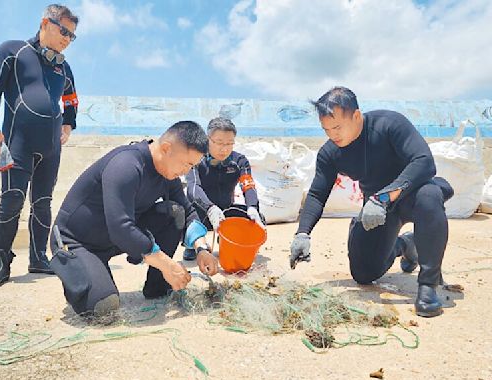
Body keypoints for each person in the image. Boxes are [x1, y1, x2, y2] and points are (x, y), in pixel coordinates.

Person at [289, 87, 454, 317]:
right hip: (376, 212)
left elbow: (424, 161)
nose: (332, 135)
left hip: (411, 197)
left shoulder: (388, 124)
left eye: (337, 127)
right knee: (364, 274)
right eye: (326, 129)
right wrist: (302, 233)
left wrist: (383, 197)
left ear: (356, 116)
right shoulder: (330, 153)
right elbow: (317, 194)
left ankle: (428, 283)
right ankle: (406, 245)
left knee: (430, 195)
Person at [50, 121, 219, 315]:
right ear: (166, 148)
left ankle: (158, 286)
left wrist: (202, 250)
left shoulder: (167, 172)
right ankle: (82, 271)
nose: (186, 172)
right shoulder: (126, 165)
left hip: (114, 239)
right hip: (78, 241)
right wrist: (167, 264)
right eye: (186, 164)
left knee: (174, 212)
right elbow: (121, 227)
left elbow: (188, 211)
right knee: (103, 307)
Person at [0, 4, 79, 290]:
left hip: (50, 147)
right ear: (45, 23)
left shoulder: (63, 66)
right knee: (12, 198)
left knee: (43, 202)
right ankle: (1, 264)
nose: (67, 40)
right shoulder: (13, 51)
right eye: (64, 31)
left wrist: (68, 123)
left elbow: (71, 97)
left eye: (72, 36)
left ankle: (38, 258)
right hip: (17, 142)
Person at [184, 117, 265, 260]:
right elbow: (192, 187)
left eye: (229, 143)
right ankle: (194, 244)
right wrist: (210, 208)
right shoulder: (197, 158)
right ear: (207, 139)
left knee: (257, 218)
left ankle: (225, 239)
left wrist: (252, 207)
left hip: (225, 212)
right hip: (201, 212)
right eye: (219, 143)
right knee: (183, 215)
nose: (224, 148)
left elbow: (248, 186)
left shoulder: (239, 161)